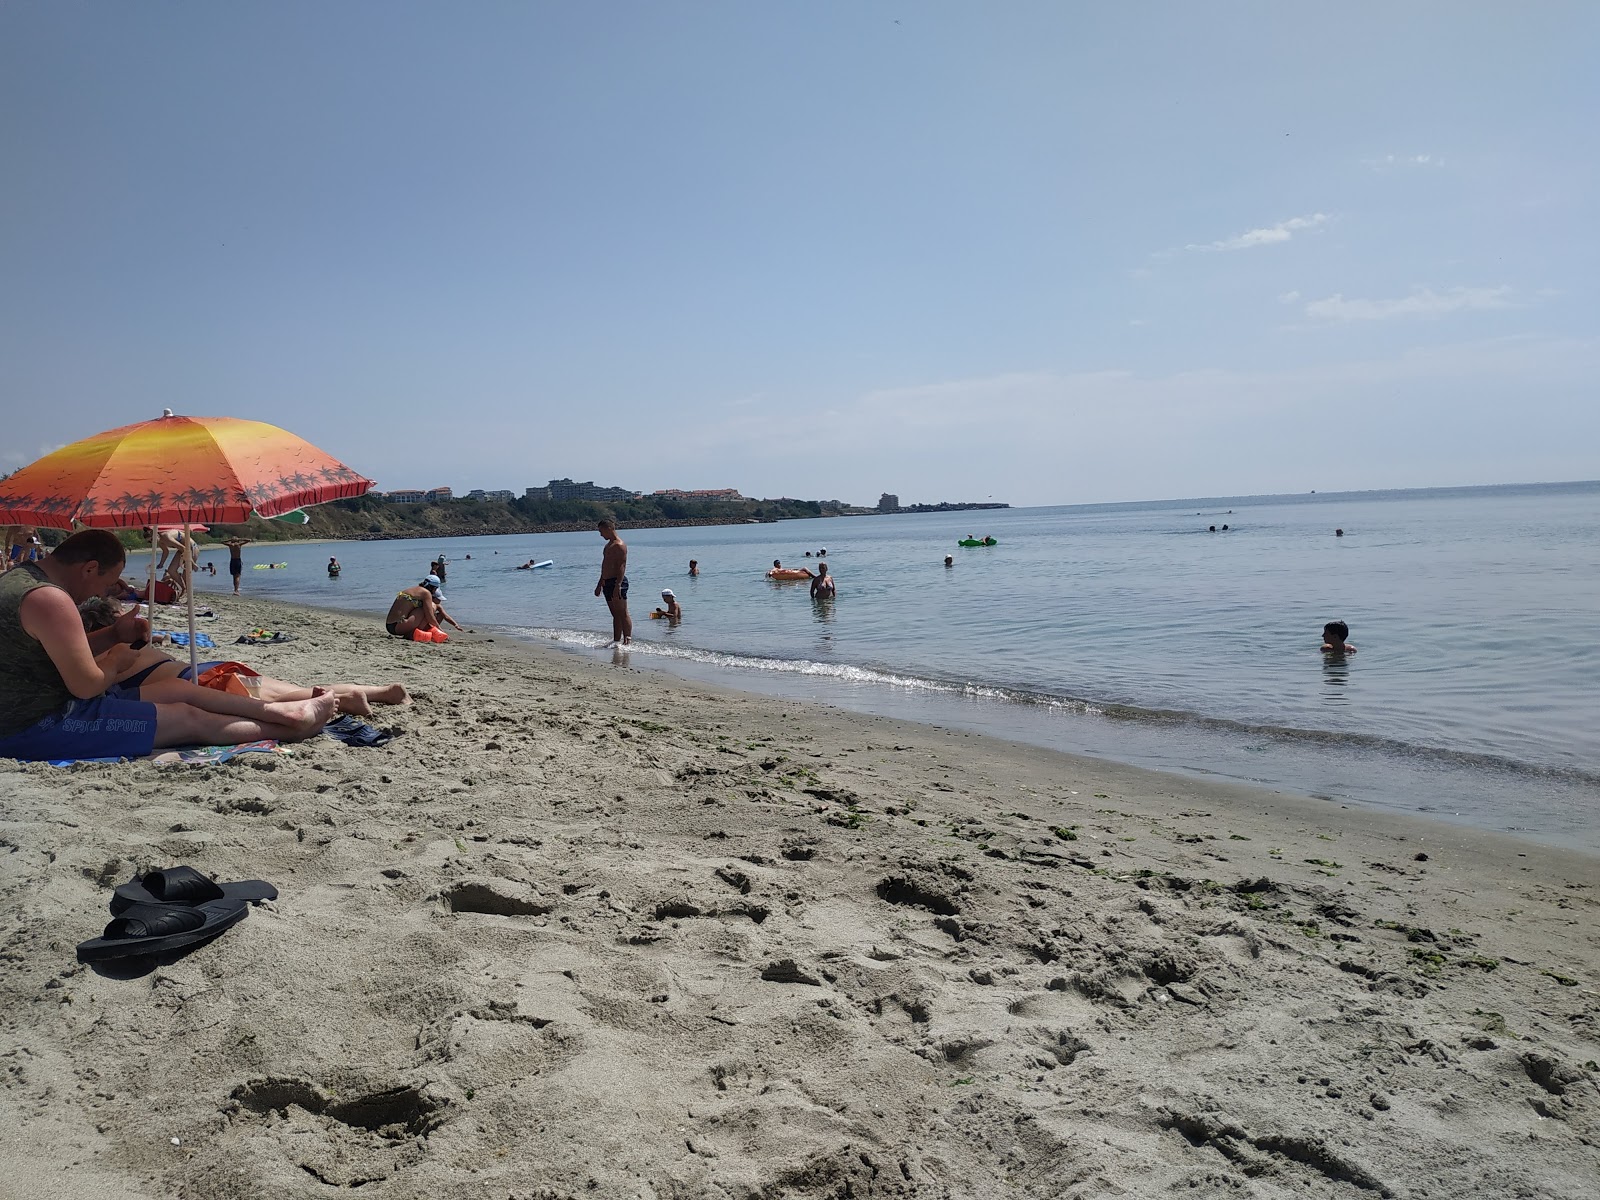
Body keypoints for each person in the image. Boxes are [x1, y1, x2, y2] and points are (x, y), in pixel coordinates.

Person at [0, 531, 338, 762]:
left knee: (181, 688)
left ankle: (281, 711)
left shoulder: (19, 579)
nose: (102, 594)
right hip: (35, 725)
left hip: (41, 706)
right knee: (188, 718)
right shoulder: (50, 600)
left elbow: (55, 648)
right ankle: (292, 727)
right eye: (105, 582)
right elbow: (87, 686)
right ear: (88, 568)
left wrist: (116, 633)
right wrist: (117, 661)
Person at [384, 575, 461, 638]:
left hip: (390, 625)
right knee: (429, 608)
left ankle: (415, 633)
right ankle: (412, 634)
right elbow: (430, 617)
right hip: (397, 626)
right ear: (434, 588)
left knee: (425, 608)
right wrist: (441, 631)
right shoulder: (426, 593)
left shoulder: (414, 590)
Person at [594, 519, 631, 645]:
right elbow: (605, 566)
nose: (600, 535)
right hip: (607, 582)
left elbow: (621, 566)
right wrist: (600, 584)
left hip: (617, 582)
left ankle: (628, 639)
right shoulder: (608, 545)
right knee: (615, 614)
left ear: (609, 528)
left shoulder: (619, 545)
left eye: (601, 531)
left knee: (622, 612)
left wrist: (618, 585)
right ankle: (616, 641)